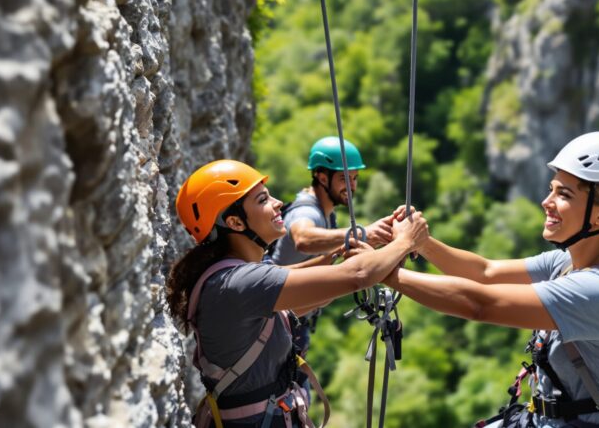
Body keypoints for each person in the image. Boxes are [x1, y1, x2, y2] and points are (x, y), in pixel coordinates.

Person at [383, 132, 599, 427]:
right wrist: (418, 242)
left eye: (563, 195)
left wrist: (384, 272)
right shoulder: (568, 263)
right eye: (551, 190)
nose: (546, 202)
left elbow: (479, 304)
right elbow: (485, 273)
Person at [166, 159, 428, 428]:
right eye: (263, 199)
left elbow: (308, 295)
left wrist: (348, 251)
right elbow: (357, 276)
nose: (279, 203)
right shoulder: (240, 283)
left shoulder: (236, 274)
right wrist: (406, 241)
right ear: (234, 222)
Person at [268, 136, 393, 355]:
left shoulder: (326, 213)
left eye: (355, 178)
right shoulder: (307, 211)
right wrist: (360, 234)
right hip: (279, 324)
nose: (352, 186)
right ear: (322, 177)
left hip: (289, 321)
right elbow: (303, 239)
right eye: (345, 179)